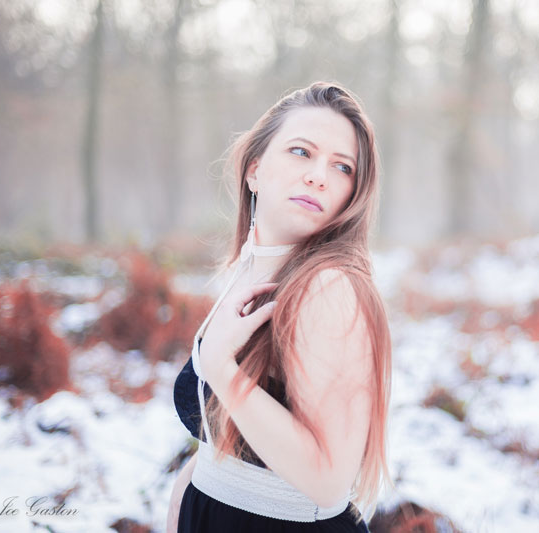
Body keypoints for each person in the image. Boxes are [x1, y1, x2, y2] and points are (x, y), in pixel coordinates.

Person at [167, 81, 392, 533]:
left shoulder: (327, 287)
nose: (318, 176)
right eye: (301, 152)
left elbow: (328, 481)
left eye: (342, 167)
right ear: (254, 170)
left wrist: (222, 370)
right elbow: (219, 448)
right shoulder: (252, 271)